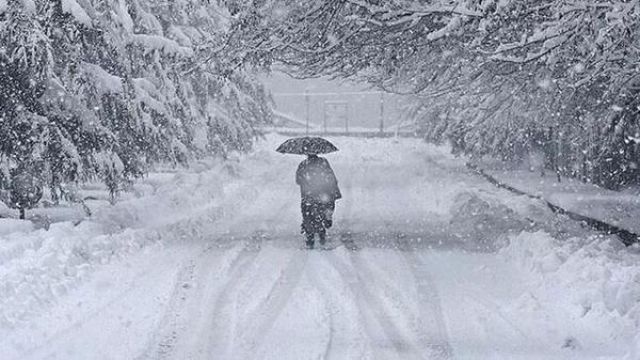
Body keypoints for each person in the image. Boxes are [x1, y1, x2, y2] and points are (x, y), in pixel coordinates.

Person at [296, 154, 341, 248]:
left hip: (308, 196)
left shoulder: (303, 164)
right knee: (321, 213)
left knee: (308, 215)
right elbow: (331, 177)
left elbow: (298, 180)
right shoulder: (324, 163)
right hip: (322, 195)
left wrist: (307, 183)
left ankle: (310, 237)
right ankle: (321, 233)